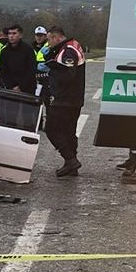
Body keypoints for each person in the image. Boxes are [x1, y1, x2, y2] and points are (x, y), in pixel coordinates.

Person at [44, 26, 86, 177]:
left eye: (49, 40)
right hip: (73, 99)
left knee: (51, 129)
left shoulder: (68, 50)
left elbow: (68, 75)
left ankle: (70, 160)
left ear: (56, 37)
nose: (48, 43)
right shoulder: (72, 45)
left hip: (65, 99)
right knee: (69, 132)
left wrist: (52, 69)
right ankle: (71, 165)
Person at [0, 24, 37, 93]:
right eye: (9, 34)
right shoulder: (4, 51)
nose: (11, 36)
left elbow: (32, 70)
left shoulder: (28, 50)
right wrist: (12, 86)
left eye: (14, 33)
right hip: (10, 88)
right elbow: (3, 71)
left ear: (21, 35)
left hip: (27, 88)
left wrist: (20, 87)